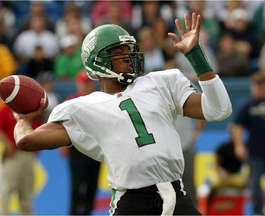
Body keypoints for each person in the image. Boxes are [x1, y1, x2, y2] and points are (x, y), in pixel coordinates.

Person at [13, 13, 232, 215]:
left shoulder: (162, 81)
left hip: (177, 194)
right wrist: (22, 119)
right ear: (96, 61)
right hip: (131, 203)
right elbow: (26, 140)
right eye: (118, 52)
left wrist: (196, 56)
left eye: (128, 49)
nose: (128, 56)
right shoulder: (81, 108)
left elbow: (218, 109)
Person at [60, 70, 100, 215]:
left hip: (95, 148)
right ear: (78, 84)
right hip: (76, 148)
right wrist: (63, 145)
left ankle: (87, 212)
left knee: (92, 184)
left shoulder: (99, 100)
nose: (86, 86)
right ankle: (73, 212)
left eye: (89, 83)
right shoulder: (71, 102)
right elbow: (61, 124)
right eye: (84, 83)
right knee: (76, 183)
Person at [0, 104, 41, 215]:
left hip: (28, 155)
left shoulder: (30, 110)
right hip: (13, 155)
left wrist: (36, 148)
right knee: (7, 189)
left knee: (26, 191)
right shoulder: (5, 110)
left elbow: (38, 130)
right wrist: (8, 145)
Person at [231, 71, 265, 215]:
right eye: (254, 86)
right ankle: (257, 212)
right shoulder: (247, 105)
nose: (255, 89)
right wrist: (239, 145)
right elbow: (237, 127)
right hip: (255, 152)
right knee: (255, 186)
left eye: (259, 86)